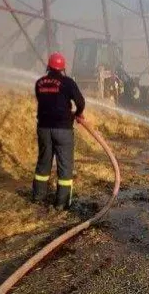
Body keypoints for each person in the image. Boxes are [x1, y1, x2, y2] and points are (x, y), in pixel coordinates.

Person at [32, 52, 86, 209]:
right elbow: (80, 102)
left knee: (43, 163)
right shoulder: (67, 82)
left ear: (49, 66)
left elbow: (43, 102)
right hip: (63, 129)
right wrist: (78, 113)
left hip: (43, 128)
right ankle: (61, 203)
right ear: (63, 68)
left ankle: (37, 197)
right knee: (65, 166)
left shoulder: (40, 83)